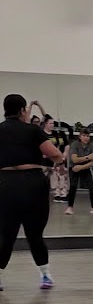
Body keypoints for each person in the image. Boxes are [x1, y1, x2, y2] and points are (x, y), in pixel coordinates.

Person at [0, 93, 64, 290]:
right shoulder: (33, 130)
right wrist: (54, 164)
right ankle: (45, 275)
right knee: (35, 233)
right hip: (32, 183)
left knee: (5, 233)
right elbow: (56, 155)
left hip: (5, 183)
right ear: (22, 110)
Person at [66, 128, 93, 214]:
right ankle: (70, 207)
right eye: (84, 136)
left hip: (85, 167)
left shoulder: (92, 146)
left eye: (87, 136)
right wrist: (88, 157)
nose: (86, 138)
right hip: (74, 167)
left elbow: (92, 163)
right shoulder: (75, 145)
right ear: (80, 136)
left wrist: (81, 167)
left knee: (91, 186)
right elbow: (74, 159)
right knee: (73, 186)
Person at [42, 114, 72, 202]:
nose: (52, 125)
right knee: (53, 177)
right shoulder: (42, 134)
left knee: (62, 175)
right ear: (45, 124)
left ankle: (62, 193)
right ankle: (55, 193)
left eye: (53, 123)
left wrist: (64, 153)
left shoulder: (57, 134)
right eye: (50, 123)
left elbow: (65, 145)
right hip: (47, 161)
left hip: (59, 159)